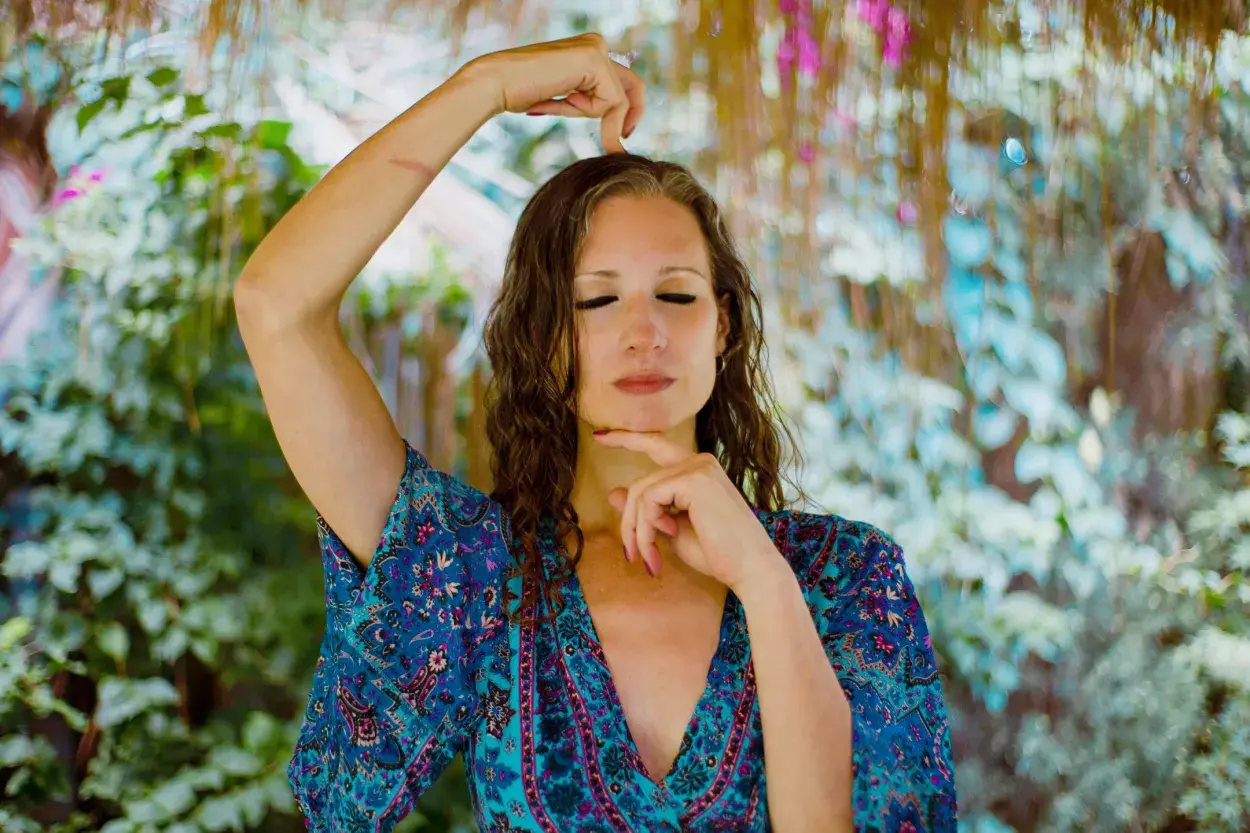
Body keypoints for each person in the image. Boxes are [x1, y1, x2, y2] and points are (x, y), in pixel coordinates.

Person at [235, 32, 957, 833]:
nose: (644, 332)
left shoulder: (849, 579)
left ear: (722, 325)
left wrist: (762, 578)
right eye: (597, 300)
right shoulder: (476, 574)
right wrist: (486, 85)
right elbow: (275, 306)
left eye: (676, 296)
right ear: (548, 336)